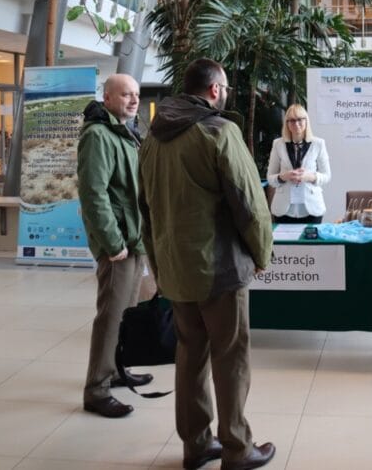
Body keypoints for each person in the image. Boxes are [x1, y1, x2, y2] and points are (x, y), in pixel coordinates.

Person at [138, 58, 276, 470]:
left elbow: (145, 208)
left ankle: (196, 444)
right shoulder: (219, 131)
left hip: (175, 269)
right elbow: (248, 202)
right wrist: (262, 251)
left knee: (190, 354)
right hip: (219, 269)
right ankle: (238, 448)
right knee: (230, 356)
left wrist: (158, 266)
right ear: (215, 89)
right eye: (227, 88)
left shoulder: (152, 138)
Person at [78, 73, 151, 419]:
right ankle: (97, 389)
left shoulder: (127, 133)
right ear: (107, 98)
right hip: (118, 243)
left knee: (127, 313)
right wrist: (112, 242)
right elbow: (94, 194)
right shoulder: (98, 136)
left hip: (134, 240)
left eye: (136, 94)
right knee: (111, 316)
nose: (133, 100)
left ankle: (118, 369)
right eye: (126, 95)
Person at [266, 104, 331, 224]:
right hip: (283, 209)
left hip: (312, 208)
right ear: (287, 123)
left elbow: (327, 176)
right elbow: (270, 178)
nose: (296, 124)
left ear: (306, 121)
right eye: (291, 120)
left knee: (310, 243)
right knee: (285, 243)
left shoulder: (318, 143)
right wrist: (283, 177)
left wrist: (309, 176)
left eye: (300, 119)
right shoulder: (278, 144)